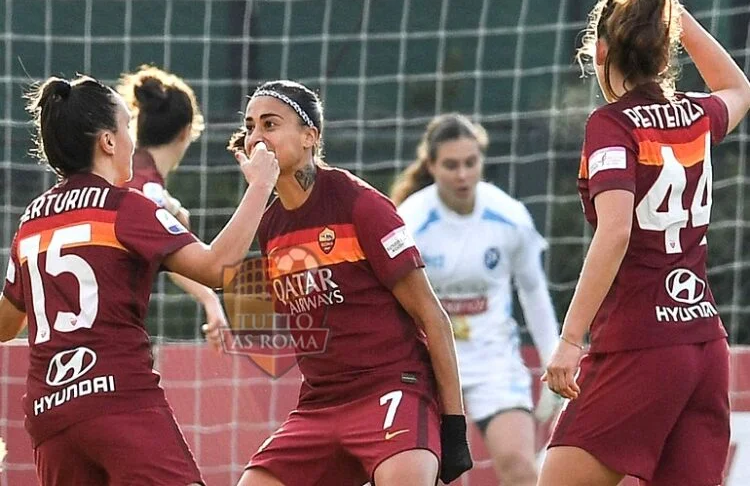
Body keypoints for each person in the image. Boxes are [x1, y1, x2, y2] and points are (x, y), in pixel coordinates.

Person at [0, 74, 279, 485]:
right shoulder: (126, 207)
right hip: (119, 402)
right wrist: (260, 186)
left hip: (50, 417)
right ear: (108, 142)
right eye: (127, 127)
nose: (134, 139)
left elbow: (6, 326)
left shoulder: (31, 223)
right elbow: (218, 267)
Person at [539, 0, 750, 486]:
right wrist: (677, 19)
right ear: (665, 47)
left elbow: (615, 233)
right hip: (704, 347)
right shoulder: (697, 115)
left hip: (641, 345)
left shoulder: (611, 125)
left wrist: (570, 339)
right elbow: (738, 87)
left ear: (602, 49)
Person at [226, 80, 473, 486]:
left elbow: (432, 315)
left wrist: (454, 425)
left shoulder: (361, 204)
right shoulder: (268, 224)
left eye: (270, 124)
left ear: (310, 136)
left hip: (393, 388)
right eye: (250, 127)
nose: (257, 138)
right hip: (319, 406)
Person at [392, 113, 561, 486]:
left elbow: (533, 290)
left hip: (493, 360)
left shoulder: (510, 217)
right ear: (432, 166)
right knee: (429, 476)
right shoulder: (410, 222)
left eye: (471, 163)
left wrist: (552, 359)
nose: (463, 175)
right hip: (429, 361)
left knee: (520, 466)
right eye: (451, 165)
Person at [118, 65, 226, 351]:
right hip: (107, 336)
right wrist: (210, 299)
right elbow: (175, 250)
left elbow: (166, 248)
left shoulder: (126, 175)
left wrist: (208, 299)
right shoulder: (147, 193)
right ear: (187, 132)